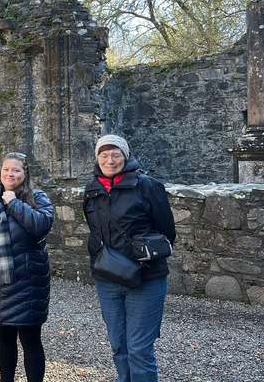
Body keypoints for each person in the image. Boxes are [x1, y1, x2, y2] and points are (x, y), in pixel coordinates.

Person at [83, 135, 176, 382]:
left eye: (116, 155)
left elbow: (167, 233)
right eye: (104, 155)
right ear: (97, 157)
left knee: (139, 349)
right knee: (119, 347)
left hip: (145, 278)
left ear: (126, 156)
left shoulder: (147, 186)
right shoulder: (92, 189)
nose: (110, 160)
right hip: (107, 278)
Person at [0, 152, 54, 382]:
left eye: (16, 170)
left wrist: (13, 202)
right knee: (4, 340)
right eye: (6, 169)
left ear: (25, 175)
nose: (10, 174)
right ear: (0, 172)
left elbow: (41, 226)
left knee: (31, 342)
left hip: (27, 282)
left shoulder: (38, 198)